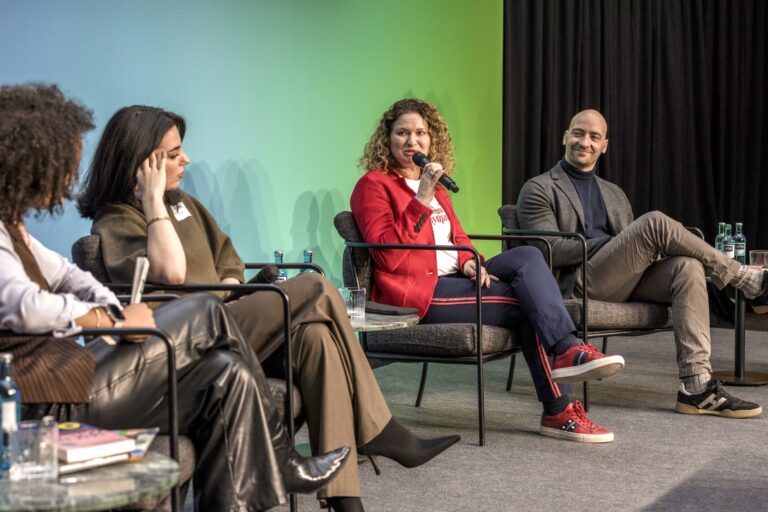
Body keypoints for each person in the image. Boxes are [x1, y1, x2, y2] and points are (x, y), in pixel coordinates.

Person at [76, 105, 460, 512]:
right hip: (192, 351)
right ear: (142, 165)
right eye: (172, 155)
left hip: (229, 320)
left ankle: (347, 501)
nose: (185, 159)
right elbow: (171, 272)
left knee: (316, 337)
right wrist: (153, 204)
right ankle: (380, 428)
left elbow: (228, 257)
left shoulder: (184, 203)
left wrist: (229, 284)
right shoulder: (116, 220)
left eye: (180, 150)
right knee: (315, 285)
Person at [0, 83, 351, 511]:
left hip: (68, 376)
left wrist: (109, 304)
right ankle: (282, 453)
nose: (66, 180)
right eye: (59, 168)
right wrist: (111, 321)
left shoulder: (12, 227)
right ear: (28, 165)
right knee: (204, 308)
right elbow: (23, 305)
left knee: (228, 374)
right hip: (36, 400)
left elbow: (68, 276)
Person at [351, 98, 627, 444]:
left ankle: (567, 353)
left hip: (457, 277)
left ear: (431, 140)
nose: (412, 141)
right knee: (531, 308)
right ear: (387, 139)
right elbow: (387, 255)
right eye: (402, 133)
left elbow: (458, 236)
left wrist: (471, 261)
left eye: (420, 133)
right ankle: (560, 403)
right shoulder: (374, 185)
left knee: (527, 255)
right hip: (418, 292)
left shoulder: (436, 188)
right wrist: (420, 198)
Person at [517, 108, 764, 418]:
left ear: (604, 145)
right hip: (578, 282)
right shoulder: (539, 187)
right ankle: (743, 277)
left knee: (687, 267)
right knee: (655, 223)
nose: (585, 142)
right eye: (578, 133)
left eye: (594, 137)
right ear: (565, 136)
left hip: (620, 280)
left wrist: (642, 251)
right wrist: (615, 243)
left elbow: (630, 250)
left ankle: (696, 386)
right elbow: (548, 250)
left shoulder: (614, 194)